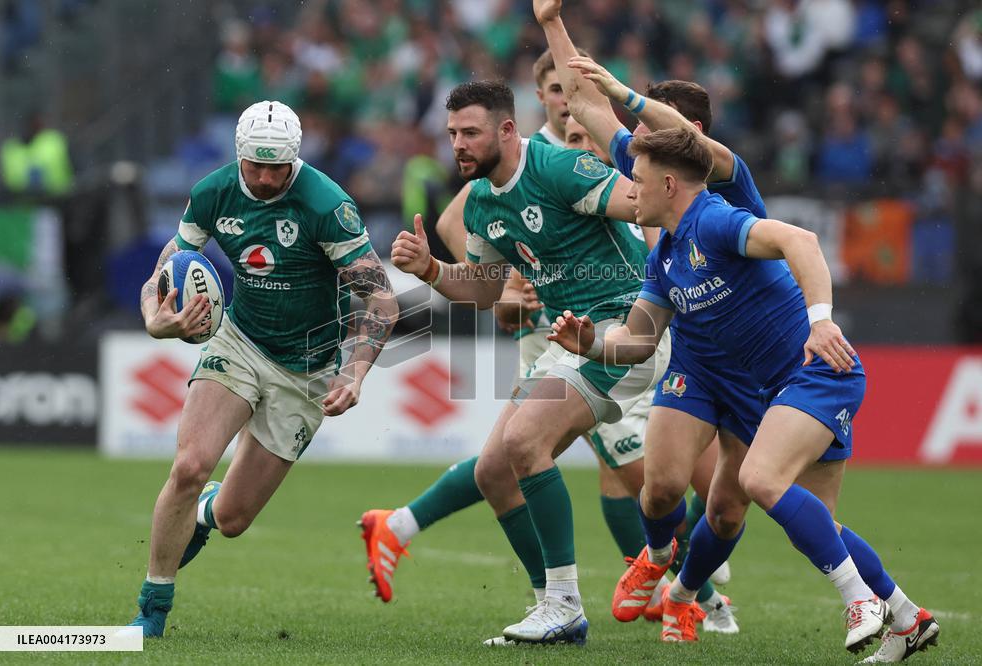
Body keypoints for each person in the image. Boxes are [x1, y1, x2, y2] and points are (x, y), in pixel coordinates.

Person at [549, 127, 940, 660]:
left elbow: (800, 240)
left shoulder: (712, 219)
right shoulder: (663, 255)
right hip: (763, 389)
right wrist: (591, 343)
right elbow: (638, 340)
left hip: (817, 372)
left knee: (758, 479)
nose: (629, 191)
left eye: (636, 181)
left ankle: (858, 600)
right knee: (818, 526)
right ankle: (906, 617)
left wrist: (820, 320)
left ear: (668, 185)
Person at [391, 80, 670, 645]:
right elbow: (484, 290)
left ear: (507, 130)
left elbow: (644, 204)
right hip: (569, 340)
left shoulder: (560, 170)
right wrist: (429, 270)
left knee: (525, 444)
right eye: (452, 135)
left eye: (470, 132)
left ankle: (573, 602)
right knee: (494, 471)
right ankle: (556, 609)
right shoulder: (485, 203)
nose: (458, 145)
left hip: (624, 328)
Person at [125, 100, 398, 637]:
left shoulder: (326, 203)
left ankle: (206, 512)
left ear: (296, 158)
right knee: (189, 465)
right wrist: (155, 319)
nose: (269, 177)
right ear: (239, 155)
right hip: (241, 341)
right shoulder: (212, 193)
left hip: (310, 369)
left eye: (280, 166)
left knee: (232, 521)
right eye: (257, 165)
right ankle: (151, 611)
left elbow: (381, 301)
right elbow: (163, 271)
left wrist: (356, 372)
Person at [534, 0, 755, 630]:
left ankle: (691, 593)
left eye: (669, 130)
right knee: (652, 488)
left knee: (728, 506)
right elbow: (583, 104)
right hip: (674, 355)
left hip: (747, 363)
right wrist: (552, 22)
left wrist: (817, 315)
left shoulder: (729, 186)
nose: (646, 143)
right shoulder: (637, 176)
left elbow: (798, 243)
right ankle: (663, 570)